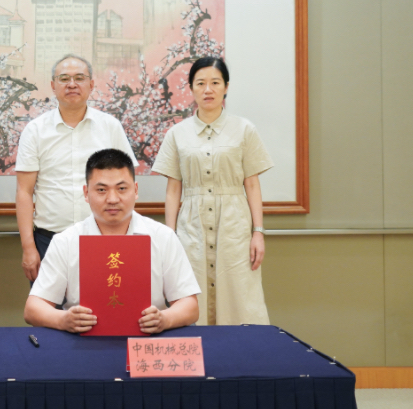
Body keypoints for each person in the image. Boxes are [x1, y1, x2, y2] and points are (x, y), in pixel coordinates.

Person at [152, 57, 274, 326]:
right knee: (190, 291)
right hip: (191, 226)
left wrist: (258, 232)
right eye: (200, 83)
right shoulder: (177, 133)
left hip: (234, 225)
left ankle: (240, 351)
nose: (208, 89)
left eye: (215, 83)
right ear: (191, 88)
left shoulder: (244, 129)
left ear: (226, 87)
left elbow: (252, 184)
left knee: (240, 293)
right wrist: (170, 235)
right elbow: (173, 189)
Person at [24, 149, 200, 334]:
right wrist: (63, 319)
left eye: (122, 189)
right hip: (83, 340)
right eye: (101, 190)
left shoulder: (163, 236)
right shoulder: (65, 241)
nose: (113, 199)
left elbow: (189, 305)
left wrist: (164, 319)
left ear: (136, 190)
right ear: (86, 193)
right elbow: (33, 308)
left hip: (148, 339)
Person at [15, 54, 137, 282]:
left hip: (103, 237)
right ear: (53, 85)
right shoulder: (35, 131)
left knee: (105, 301)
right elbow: (24, 191)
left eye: (79, 78)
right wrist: (28, 247)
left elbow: (127, 185)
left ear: (91, 84)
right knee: (50, 304)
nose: (72, 84)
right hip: (49, 240)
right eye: (64, 78)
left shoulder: (110, 127)